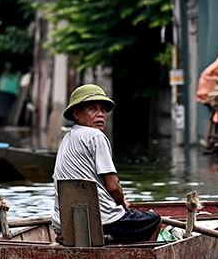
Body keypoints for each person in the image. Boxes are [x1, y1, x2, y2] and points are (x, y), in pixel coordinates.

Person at [53, 84, 161, 244]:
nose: (100, 114)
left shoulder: (66, 139)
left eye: (103, 110)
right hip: (103, 221)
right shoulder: (96, 136)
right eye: (93, 109)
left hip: (62, 223)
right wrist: (122, 203)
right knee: (154, 220)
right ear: (77, 113)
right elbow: (113, 186)